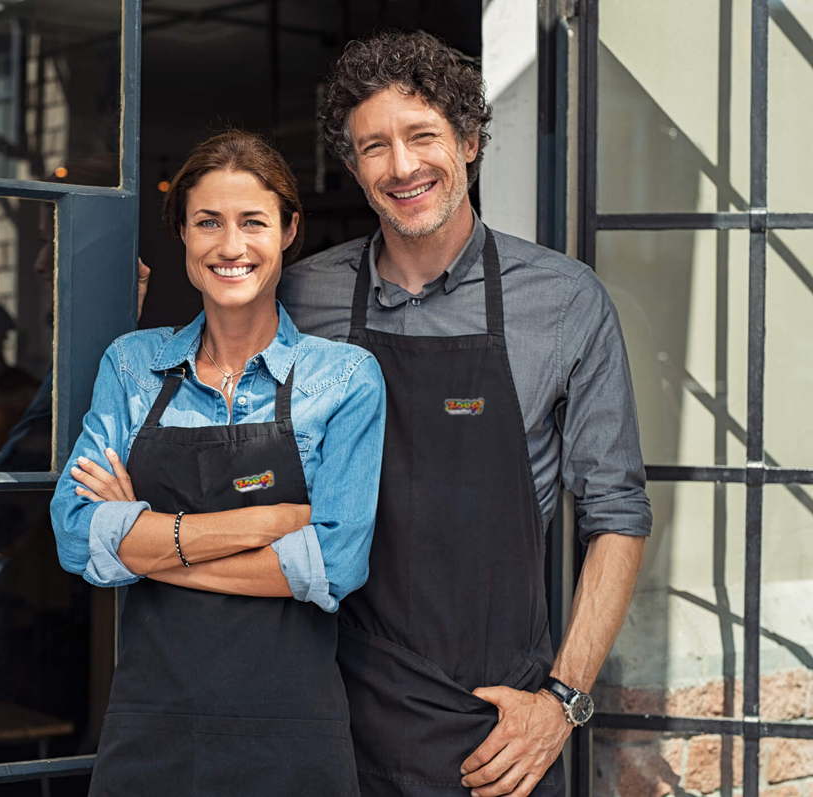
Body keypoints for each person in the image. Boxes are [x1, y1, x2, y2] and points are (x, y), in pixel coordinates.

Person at [278, 31, 652, 797]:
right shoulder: (300, 297)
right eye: (373, 146)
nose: (402, 165)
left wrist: (563, 700)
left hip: (497, 729)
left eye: (422, 135)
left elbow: (616, 513)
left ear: (471, 140)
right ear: (352, 166)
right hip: (328, 707)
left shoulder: (564, 300)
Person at [51, 129, 386, 796]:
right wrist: (270, 523)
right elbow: (73, 533)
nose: (230, 246)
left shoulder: (344, 379)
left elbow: (337, 565)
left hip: (292, 736)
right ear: (182, 234)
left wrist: (147, 544)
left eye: (252, 222)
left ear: (289, 230)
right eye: (208, 222)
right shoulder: (133, 365)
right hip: (153, 730)